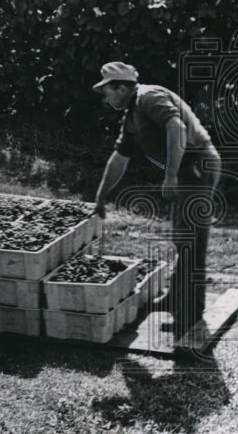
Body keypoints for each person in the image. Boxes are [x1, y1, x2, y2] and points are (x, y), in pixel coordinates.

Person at [91, 61, 221, 340]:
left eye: (108, 91)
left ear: (122, 87)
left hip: (197, 165)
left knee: (190, 240)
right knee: (180, 237)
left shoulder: (149, 96)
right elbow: (119, 159)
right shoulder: (131, 116)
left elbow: (176, 127)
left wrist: (171, 175)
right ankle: (176, 298)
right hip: (186, 170)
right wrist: (101, 196)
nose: (106, 97)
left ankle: (190, 315)